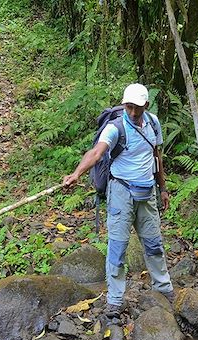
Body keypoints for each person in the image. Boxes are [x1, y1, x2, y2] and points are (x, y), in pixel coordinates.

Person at [62, 83, 175, 319]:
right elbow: (96, 153)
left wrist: (162, 188)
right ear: (124, 104)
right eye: (129, 107)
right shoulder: (115, 128)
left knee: (154, 245)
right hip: (121, 193)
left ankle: (164, 291)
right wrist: (76, 174)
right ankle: (114, 300)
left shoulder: (153, 123)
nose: (133, 113)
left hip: (147, 195)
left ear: (147, 105)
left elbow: (157, 157)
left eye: (138, 108)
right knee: (118, 248)